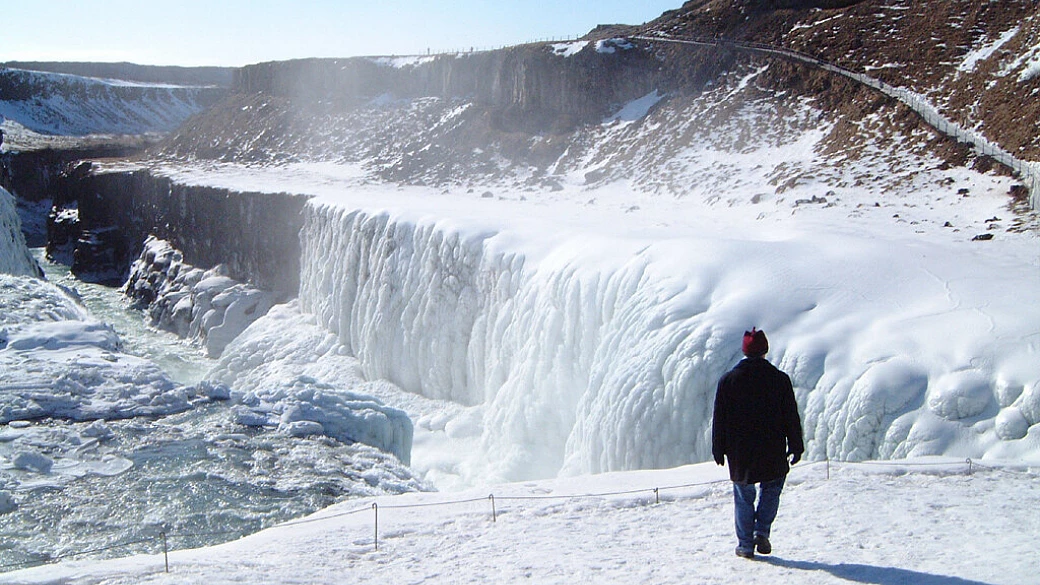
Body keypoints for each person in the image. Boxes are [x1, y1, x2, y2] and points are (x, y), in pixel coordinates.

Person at [712, 327, 803, 559]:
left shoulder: (728, 381)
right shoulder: (780, 380)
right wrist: (795, 445)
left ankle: (745, 545)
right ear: (765, 350)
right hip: (771, 448)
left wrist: (718, 448)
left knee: (744, 495)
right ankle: (761, 531)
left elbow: (720, 418)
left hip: (740, 451)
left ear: (744, 351)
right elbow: (790, 416)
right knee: (772, 488)